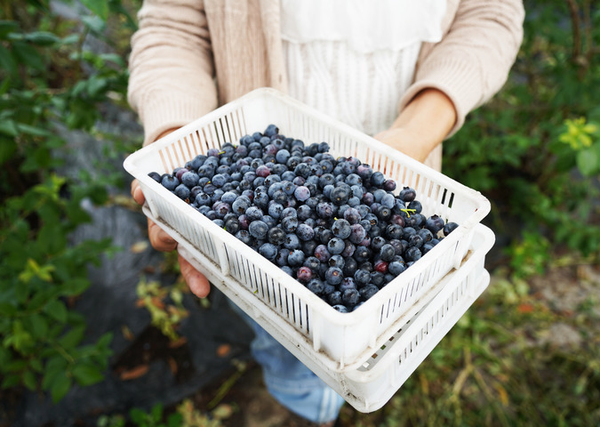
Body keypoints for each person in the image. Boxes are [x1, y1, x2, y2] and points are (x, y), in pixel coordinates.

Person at [128, 1, 524, 425]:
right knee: (282, 330)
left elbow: (490, 14)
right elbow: (173, 26)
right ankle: (303, 407)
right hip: (257, 248)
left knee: (377, 331)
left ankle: (322, 404)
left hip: (404, 159)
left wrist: (417, 130)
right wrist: (179, 143)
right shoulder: (271, 194)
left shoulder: (379, 209)